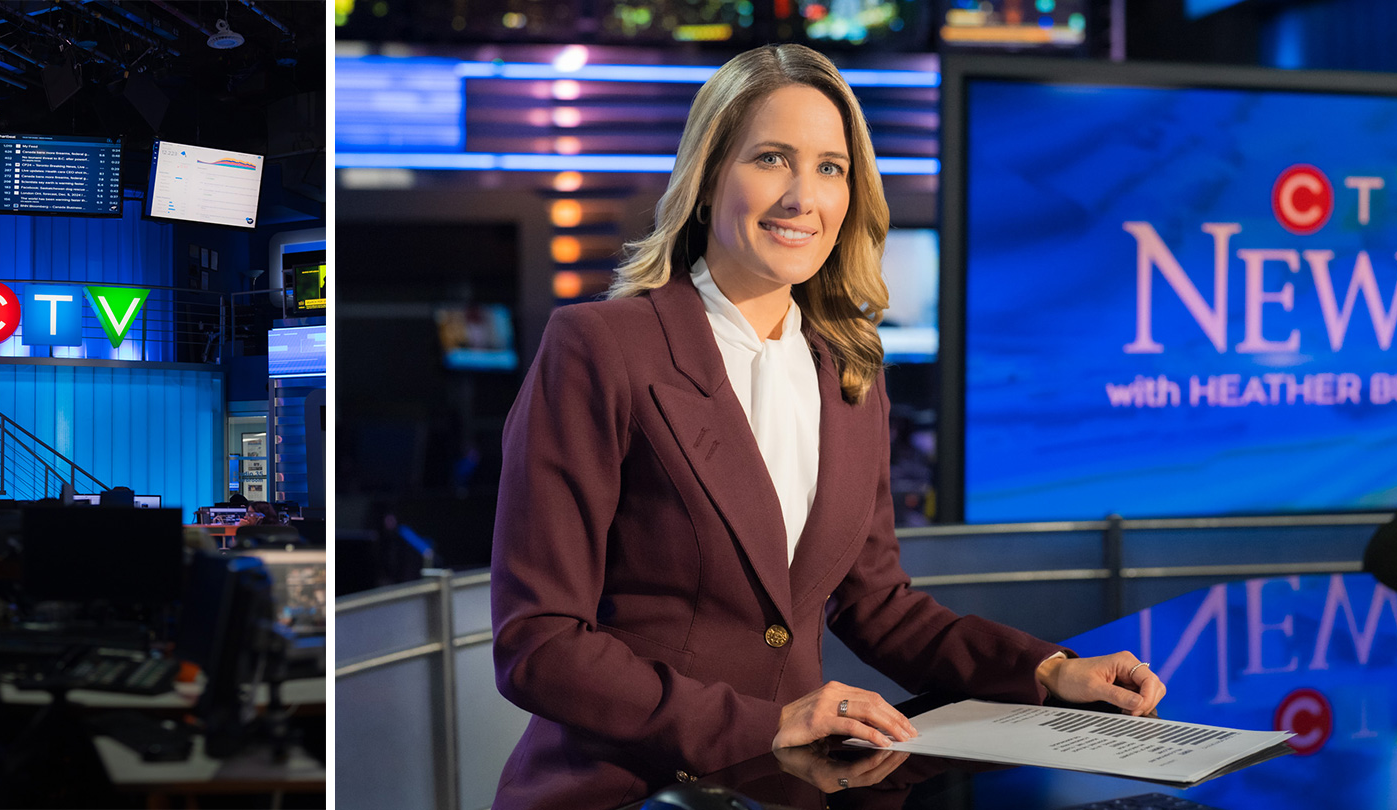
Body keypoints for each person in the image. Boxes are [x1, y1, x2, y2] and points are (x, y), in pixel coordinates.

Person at [489, 44, 1166, 810]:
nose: (801, 198)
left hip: (790, 791)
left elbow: (878, 605)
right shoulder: (600, 347)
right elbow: (537, 644)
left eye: (830, 168)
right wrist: (767, 722)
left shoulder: (849, 366)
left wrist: (1045, 670)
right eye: (772, 159)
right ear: (708, 181)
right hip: (630, 791)